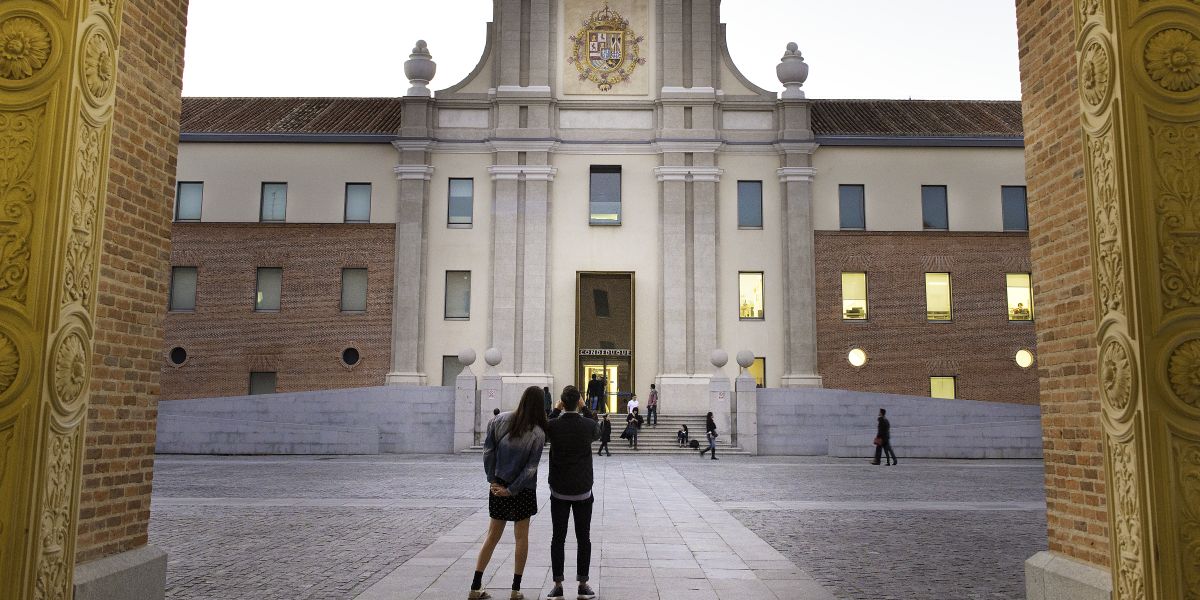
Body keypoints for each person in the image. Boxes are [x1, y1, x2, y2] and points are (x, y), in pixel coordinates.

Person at [470, 386, 548, 600]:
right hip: (523, 489)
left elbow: (488, 452)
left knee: (492, 536)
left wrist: (493, 480)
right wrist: (512, 490)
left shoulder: (498, 420)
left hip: (499, 483)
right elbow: (531, 468)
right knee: (521, 538)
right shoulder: (538, 433)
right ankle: (515, 589)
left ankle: (475, 586)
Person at [544, 385, 600, 600]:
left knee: (558, 538)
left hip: (559, 490)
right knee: (583, 538)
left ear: (561, 402)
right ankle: (583, 584)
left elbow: (544, 429)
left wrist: (555, 410)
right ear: (579, 402)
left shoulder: (553, 425)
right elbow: (598, 429)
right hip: (582, 490)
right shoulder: (588, 425)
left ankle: (558, 584)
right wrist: (585, 409)